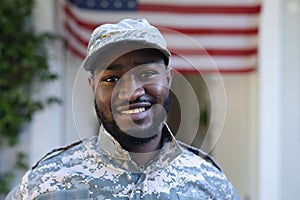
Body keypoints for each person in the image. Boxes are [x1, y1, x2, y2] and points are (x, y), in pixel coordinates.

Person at [6, 18, 239, 199]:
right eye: (112, 79)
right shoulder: (45, 184)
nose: (131, 93)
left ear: (168, 79)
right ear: (92, 86)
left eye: (146, 74)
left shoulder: (210, 184)